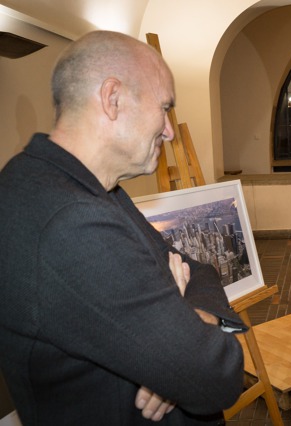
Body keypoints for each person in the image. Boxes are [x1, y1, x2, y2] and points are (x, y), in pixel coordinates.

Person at [0, 31, 247, 425]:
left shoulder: (82, 185)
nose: (169, 130)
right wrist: (179, 355)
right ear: (112, 98)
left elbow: (196, 269)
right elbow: (216, 375)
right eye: (164, 108)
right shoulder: (71, 220)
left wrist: (191, 323)